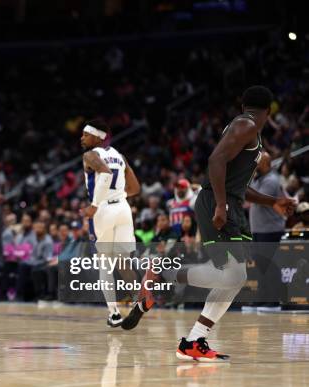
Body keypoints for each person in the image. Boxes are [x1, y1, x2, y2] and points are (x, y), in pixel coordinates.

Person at [122, 86, 296, 361]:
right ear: (270, 110)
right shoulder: (246, 125)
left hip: (232, 204)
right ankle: (161, 276)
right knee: (233, 276)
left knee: (233, 279)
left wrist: (271, 201)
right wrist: (219, 203)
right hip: (219, 204)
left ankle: (193, 340)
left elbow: (238, 185)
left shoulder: (249, 132)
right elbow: (215, 160)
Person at [81, 119, 141, 327]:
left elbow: (105, 174)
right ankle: (139, 303)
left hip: (104, 209)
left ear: (97, 137)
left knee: (105, 263)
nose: (82, 138)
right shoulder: (119, 156)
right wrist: (119, 195)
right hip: (123, 208)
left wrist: (95, 204)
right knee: (124, 261)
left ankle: (114, 313)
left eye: (85, 135)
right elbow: (135, 188)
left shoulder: (90, 155)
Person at [249, 152, 287, 306]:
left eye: (258, 162)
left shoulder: (271, 181)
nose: (255, 164)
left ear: (266, 164)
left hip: (270, 230)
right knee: (261, 266)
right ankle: (262, 298)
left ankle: (273, 300)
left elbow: (257, 199)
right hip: (259, 230)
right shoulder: (259, 179)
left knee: (269, 266)